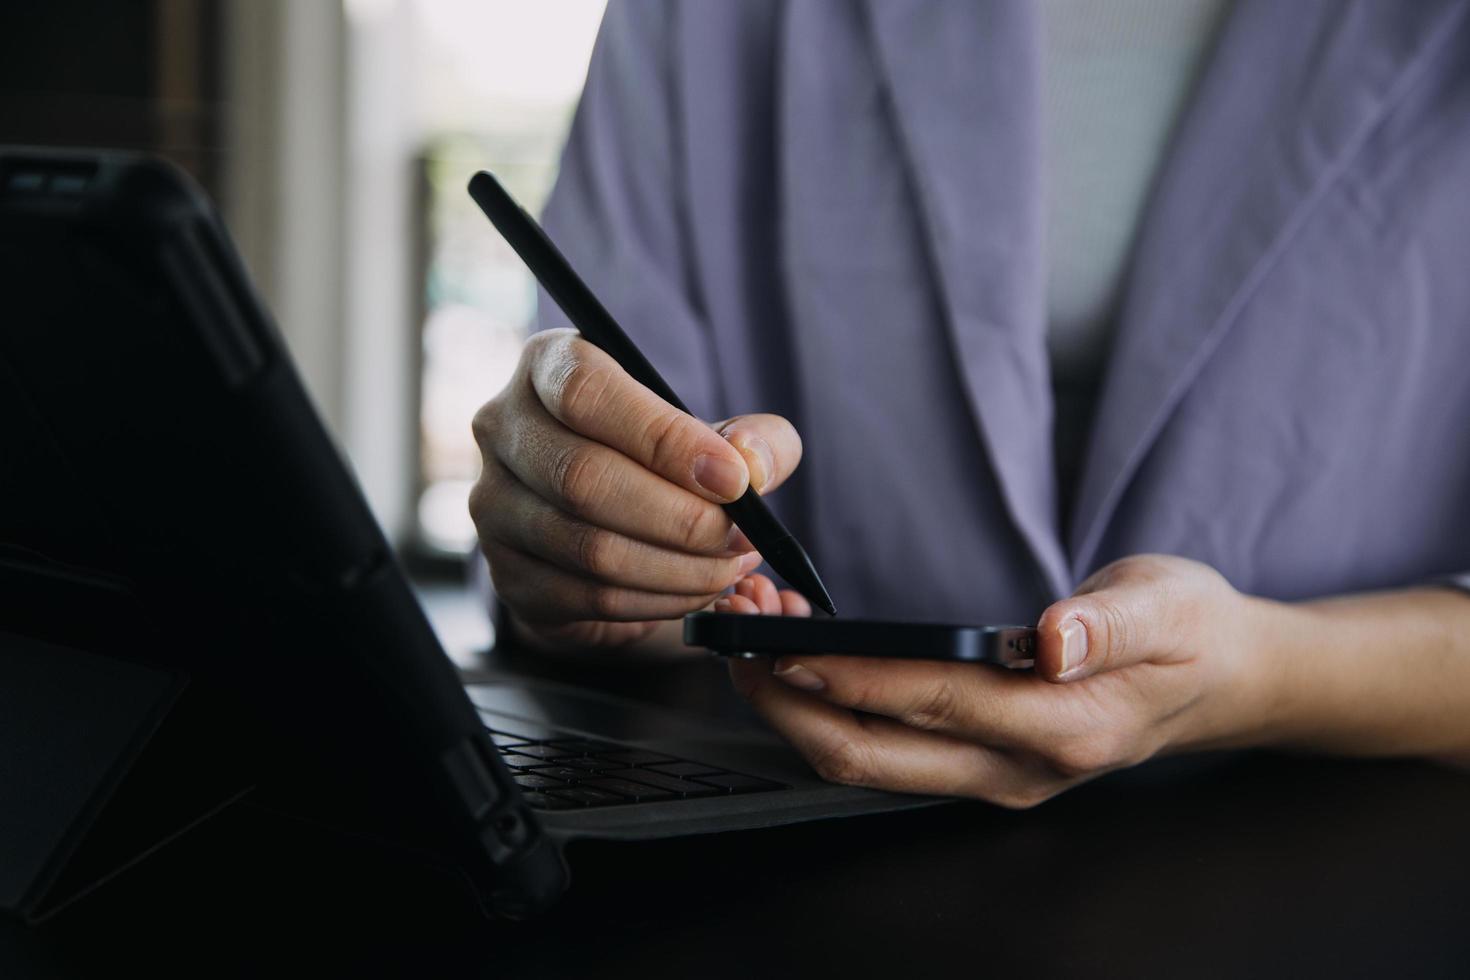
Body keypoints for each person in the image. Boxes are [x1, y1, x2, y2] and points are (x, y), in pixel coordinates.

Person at [468, 0, 1470, 806]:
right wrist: (586, 553)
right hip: (798, 849)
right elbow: (610, 540)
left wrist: (1267, 672)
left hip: (1358, 861)